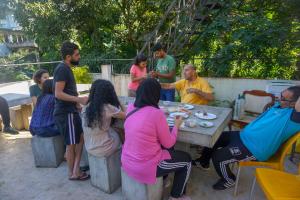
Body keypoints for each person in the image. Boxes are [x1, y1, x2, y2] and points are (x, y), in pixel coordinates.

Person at [193, 86, 300, 190]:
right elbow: (281, 101)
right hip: (242, 136)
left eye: (283, 98)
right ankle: (203, 162)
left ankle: (229, 179)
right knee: (215, 138)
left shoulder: (294, 117)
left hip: (254, 148)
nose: (279, 99)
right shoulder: (279, 106)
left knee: (218, 156)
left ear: (294, 103)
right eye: (280, 95)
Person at [122, 78, 192, 200]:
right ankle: (176, 196)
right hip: (145, 166)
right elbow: (169, 143)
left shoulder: (131, 107)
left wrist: (168, 111)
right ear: (156, 94)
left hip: (127, 160)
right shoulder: (156, 113)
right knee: (186, 160)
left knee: (163, 147)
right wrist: (176, 126)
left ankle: (164, 179)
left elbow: (146, 115)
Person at [53, 41, 89, 181]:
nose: (79, 56)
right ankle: (73, 173)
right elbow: (58, 93)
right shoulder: (62, 69)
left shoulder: (66, 68)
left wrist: (76, 103)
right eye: (76, 54)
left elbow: (66, 92)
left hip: (70, 110)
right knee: (71, 144)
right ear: (68, 57)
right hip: (65, 113)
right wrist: (79, 100)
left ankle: (76, 168)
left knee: (80, 138)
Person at [82, 79, 125, 157]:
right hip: (104, 149)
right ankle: (125, 152)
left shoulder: (86, 106)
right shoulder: (107, 107)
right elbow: (128, 115)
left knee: (110, 128)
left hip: (89, 147)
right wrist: (119, 101)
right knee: (120, 130)